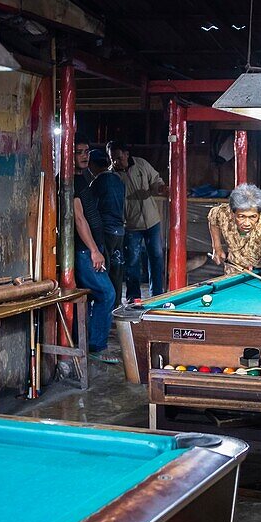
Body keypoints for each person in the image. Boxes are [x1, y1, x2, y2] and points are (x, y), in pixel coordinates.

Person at [109, 141, 168, 300]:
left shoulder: (141, 164)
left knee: (156, 257)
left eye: (119, 158)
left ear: (127, 155)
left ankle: (157, 295)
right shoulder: (112, 176)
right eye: (113, 159)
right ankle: (133, 297)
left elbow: (155, 179)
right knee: (132, 262)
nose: (116, 162)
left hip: (152, 221)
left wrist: (160, 187)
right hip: (131, 225)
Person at [73, 153, 117, 362]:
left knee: (95, 296)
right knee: (107, 294)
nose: (84, 156)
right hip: (84, 250)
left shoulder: (82, 178)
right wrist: (93, 250)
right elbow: (79, 219)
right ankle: (96, 345)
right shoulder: (69, 182)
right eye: (78, 152)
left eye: (86, 152)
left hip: (93, 247)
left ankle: (89, 340)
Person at [208, 183, 261, 289]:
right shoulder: (223, 213)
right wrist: (216, 247)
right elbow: (213, 218)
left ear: (259, 214)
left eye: (253, 217)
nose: (247, 223)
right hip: (236, 269)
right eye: (242, 216)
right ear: (232, 212)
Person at [87, 149, 126, 304]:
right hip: (120, 231)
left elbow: (91, 209)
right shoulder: (118, 180)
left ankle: (106, 306)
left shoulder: (98, 182)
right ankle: (116, 305)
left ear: (93, 165)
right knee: (117, 270)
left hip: (106, 232)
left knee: (105, 271)